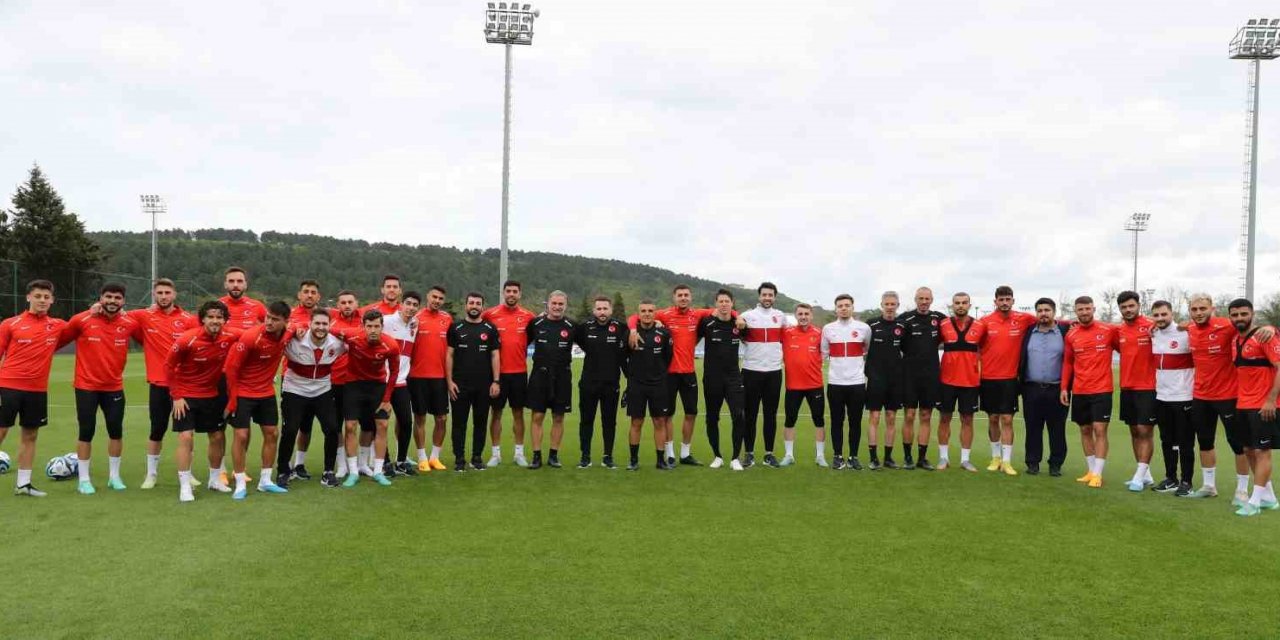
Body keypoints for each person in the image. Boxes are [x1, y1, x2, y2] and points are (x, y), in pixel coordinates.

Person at [626, 285, 735, 466]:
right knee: (666, 415)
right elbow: (634, 317)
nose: (683, 298)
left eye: (686, 295)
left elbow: (726, 309)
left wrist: (737, 317)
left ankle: (685, 454)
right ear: (674, 297)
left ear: (690, 297)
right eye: (680, 295)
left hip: (689, 372)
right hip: (668, 374)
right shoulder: (664, 314)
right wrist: (632, 330)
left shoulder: (698, 314)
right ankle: (669, 454)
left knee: (691, 413)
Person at [1184, 292, 1269, 502]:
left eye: (1203, 308)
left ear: (1212, 308)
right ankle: (1209, 485)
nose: (1198, 313)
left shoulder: (1227, 325)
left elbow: (1250, 328)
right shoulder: (1190, 328)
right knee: (1204, 441)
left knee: (1238, 444)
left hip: (1228, 396)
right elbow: (1175, 324)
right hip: (1200, 396)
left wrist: (1269, 327)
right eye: (1194, 309)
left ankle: (1241, 489)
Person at [63, 283, 139, 494]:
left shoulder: (129, 323)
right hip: (86, 386)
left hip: (114, 387)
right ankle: (84, 480)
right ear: (100, 298)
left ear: (123, 301)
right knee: (86, 432)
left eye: (117, 298)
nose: (112, 301)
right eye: (108, 297)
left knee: (116, 431)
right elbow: (59, 340)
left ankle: (114, 477)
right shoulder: (82, 320)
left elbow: (148, 336)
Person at [0, 280, 72, 497]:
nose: (42, 300)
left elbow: (80, 327)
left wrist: (96, 310)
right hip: (8, 386)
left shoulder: (58, 326)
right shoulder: (10, 324)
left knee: (30, 435)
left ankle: (23, 485)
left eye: (46, 297)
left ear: (52, 300)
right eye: (38, 296)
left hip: (37, 390)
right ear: (28, 297)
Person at [127, 278, 198, 489]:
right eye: (160, 293)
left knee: (186, 433)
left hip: (183, 385)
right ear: (154, 295)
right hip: (158, 384)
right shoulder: (143, 315)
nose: (164, 296)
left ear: (174, 295)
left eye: (167, 292)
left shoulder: (188, 319)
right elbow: (118, 316)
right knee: (157, 430)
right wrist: (95, 308)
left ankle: (188, 473)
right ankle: (151, 474)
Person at [165, 300, 240, 502]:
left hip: (212, 396)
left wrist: (294, 327)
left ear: (224, 320)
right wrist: (177, 396)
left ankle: (215, 480)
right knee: (186, 438)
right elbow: (169, 367)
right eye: (211, 317)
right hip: (186, 397)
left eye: (219, 317)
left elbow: (252, 337)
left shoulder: (231, 336)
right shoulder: (186, 340)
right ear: (203, 319)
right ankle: (184, 486)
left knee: (216, 437)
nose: (215, 321)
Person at [222, 300, 293, 499]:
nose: (269, 322)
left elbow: (297, 327)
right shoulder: (251, 337)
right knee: (241, 436)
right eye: (268, 317)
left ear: (285, 321)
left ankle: (265, 481)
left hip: (266, 392)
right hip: (243, 392)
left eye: (275, 319)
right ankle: (240, 482)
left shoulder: (288, 333)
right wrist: (232, 400)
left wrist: (300, 329)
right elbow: (231, 368)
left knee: (272, 433)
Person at [277, 307, 347, 488]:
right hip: (295, 390)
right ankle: (284, 471)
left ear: (329, 325)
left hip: (322, 390)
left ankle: (328, 472)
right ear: (310, 324)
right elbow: (276, 336)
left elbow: (357, 339)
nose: (321, 327)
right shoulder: (295, 340)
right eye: (317, 323)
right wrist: (293, 328)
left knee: (332, 428)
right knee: (290, 429)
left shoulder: (337, 343)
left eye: (324, 324)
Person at [334, 309, 401, 487]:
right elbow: (329, 330)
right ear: (363, 326)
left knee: (382, 425)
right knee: (350, 426)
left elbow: (394, 372)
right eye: (369, 326)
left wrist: (386, 399)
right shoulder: (353, 336)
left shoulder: (391, 345)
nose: (373, 330)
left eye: (376, 326)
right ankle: (353, 472)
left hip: (377, 387)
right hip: (353, 385)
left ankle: (378, 471)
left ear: (382, 327)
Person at [1227, 298, 1280, 516]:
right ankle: (1269, 497)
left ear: (1252, 314)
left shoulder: (1265, 336)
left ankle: (1255, 502)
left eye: (1243, 314)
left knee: (1262, 451)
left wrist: (1271, 400)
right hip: (1243, 404)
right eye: (1235, 314)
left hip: (1264, 405)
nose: (1239, 318)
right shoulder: (1235, 340)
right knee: (1248, 449)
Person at [1060, 296, 1118, 488]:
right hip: (1080, 390)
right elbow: (1068, 362)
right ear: (1075, 312)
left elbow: (1126, 345)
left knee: (1100, 430)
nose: (1084, 312)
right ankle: (1091, 470)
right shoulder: (1071, 335)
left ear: (1094, 308)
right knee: (1084, 430)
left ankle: (1098, 474)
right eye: (1080, 309)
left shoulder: (1108, 330)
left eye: (1087, 308)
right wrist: (1064, 388)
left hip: (1102, 390)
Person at [977, 285, 1036, 474]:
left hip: (1010, 379)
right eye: (1001, 299)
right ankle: (995, 457)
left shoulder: (1023, 319)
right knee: (993, 418)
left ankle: (1007, 461)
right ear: (995, 301)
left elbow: (1047, 320)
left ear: (1013, 300)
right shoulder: (984, 321)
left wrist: (1071, 323)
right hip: (987, 378)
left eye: (1007, 299)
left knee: (1007, 420)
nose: (1004, 302)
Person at [446, 292, 501, 471]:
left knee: (481, 422)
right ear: (466, 305)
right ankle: (459, 459)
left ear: (483, 307)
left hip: (484, 386)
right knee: (459, 423)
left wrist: (496, 381)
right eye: (471, 303)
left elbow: (495, 355)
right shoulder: (456, 328)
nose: (474, 306)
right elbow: (449, 355)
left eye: (478, 303)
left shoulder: (490, 329)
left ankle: (477, 458)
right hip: (459, 385)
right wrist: (449, 381)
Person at [483, 280, 536, 467]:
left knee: (518, 413)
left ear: (520, 294)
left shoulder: (529, 316)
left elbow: (532, 337)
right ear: (503, 293)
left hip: (519, 373)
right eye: (508, 291)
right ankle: (495, 454)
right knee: (495, 413)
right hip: (497, 375)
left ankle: (519, 453)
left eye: (515, 291)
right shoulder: (490, 314)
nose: (511, 294)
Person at [574, 295, 628, 469]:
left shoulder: (620, 328)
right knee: (586, 420)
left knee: (609, 421)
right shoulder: (584, 328)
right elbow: (580, 343)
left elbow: (624, 354)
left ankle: (608, 457)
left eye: (605, 309)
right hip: (588, 383)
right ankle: (585, 456)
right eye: (599, 309)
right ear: (594, 310)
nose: (602, 312)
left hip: (611, 383)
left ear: (611, 310)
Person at [1018, 298, 1069, 476]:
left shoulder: (1065, 331)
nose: (1043, 313)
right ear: (1036, 313)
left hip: (1057, 390)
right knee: (1032, 428)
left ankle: (1055, 464)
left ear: (1054, 312)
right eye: (1040, 310)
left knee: (1057, 429)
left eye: (1047, 310)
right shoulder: (1028, 332)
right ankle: (1032, 463)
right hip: (1031, 389)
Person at [897, 287, 946, 470]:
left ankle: (922, 458)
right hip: (909, 375)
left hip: (931, 375)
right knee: (909, 415)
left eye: (927, 298)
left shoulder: (939, 318)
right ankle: (908, 457)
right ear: (915, 299)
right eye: (921, 298)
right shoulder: (905, 319)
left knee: (926, 415)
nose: (924, 302)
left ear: (932, 300)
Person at [526, 291, 576, 469]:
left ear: (565, 305)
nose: (557, 307)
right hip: (540, 375)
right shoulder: (536, 323)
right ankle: (536, 456)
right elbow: (520, 343)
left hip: (562, 376)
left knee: (558, 417)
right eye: (554, 303)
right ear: (547, 304)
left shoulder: (571, 326)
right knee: (537, 416)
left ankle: (553, 455)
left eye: (560, 304)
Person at [822, 293, 872, 471]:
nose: (844, 308)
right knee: (836, 421)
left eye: (847, 305)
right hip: (835, 383)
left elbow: (867, 347)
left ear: (852, 307)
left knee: (855, 421)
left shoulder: (864, 328)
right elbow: (824, 352)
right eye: (840, 305)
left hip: (857, 383)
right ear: (836, 308)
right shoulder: (828, 329)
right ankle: (837, 456)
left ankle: (853, 456)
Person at [1151, 300, 1196, 495]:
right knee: (1166, 440)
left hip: (1184, 396)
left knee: (1185, 441)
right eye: (1156, 315)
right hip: (1161, 396)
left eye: (1164, 314)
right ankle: (1171, 478)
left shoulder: (1186, 332)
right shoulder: (1153, 333)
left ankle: (1186, 481)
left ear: (1171, 313)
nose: (1160, 318)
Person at [1115, 291, 1159, 491]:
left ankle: (1138, 476)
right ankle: (1146, 475)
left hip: (1149, 387)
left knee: (1145, 431)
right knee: (1134, 431)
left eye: (1131, 306)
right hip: (1127, 387)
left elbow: (1179, 329)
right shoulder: (1119, 330)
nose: (1128, 310)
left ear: (1139, 305)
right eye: (1124, 307)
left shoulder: (1152, 326)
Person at [938, 292, 986, 471]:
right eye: (957, 303)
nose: (960, 306)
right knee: (944, 418)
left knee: (967, 420)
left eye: (964, 303)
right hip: (946, 381)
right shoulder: (943, 325)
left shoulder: (981, 326)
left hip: (970, 382)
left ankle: (965, 460)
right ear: (952, 305)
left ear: (969, 304)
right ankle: (944, 458)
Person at [741, 282, 787, 468]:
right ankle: (749, 454)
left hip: (774, 372)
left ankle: (769, 454)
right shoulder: (747, 316)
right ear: (759, 296)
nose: (767, 298)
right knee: (750, 415)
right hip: (751, 371)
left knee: (771, 414)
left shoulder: (781, 316)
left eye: (770, 295)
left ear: (774, 297)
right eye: (764, 295)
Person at [700, 290, 747, 470]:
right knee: (712, 418)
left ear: (732, 303)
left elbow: (750, 339)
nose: (724, 304)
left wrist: (740, 318)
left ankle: (735, 458)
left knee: (739, 416)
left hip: (734, 378)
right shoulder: (707, 323)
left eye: (727, 301)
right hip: (712, 378)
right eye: (721, 301)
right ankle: (717, 456)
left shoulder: (740, 324)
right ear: (716, 303)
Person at [624, 300, 674, 470]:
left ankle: (660, 460)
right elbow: (623, 357)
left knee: (659, 421)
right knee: (636, 422)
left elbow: (668, 358)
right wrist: (631, 376)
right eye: (643, 311)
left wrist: (658, 374)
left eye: (650, 310)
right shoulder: (630, 333)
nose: (647, 313)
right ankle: (633, 460)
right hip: (636, 385)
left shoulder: (664, 333)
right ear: (638, 314)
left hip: (658, 384)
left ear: (655, 313)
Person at [409, 285, 452, 472]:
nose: (437, 300)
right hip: (417, 376)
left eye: (440, 298)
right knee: (419, 418)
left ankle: (435, 457)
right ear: (428, 296)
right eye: (434, 296)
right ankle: (421, 457)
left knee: (441, 418)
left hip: (440, 377)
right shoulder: (415, 318)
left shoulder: (447, 319)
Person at [380, 291, 420, 476]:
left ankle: (402, 461)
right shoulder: (386, 321)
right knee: (381, 423)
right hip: (382, 382)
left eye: (415, 305)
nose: (411, 307)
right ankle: (385, 462)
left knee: (405, 422)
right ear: (401, 304)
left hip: (402, 382)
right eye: (408, 303)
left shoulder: (414, 324)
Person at [866, 291, 906, 470]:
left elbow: (908, 350)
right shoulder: (871, 325)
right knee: (874, 417)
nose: (890, 307)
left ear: (898, 305)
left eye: (893, 304)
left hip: (896, 380)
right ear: (881, 304)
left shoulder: (902, 326)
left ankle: (888, 458)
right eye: (887, 304)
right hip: (875, 379)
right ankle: (873, 458)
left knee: (891, 418)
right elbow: (863, 347)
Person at [781, 303, 824, 466]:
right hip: (793, 386)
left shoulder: (820, 333)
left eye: (806, 314)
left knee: (819, 420)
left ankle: (820, 456)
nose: (803, 317)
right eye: (800, 314)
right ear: (796, 316)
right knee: (790, 420)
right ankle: (789, 455)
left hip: (815, 385)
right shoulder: (786, 333)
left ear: (811, 316)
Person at [219, 266, 267, 331]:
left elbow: (277, 324)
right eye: (231, 281)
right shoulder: (216, 306)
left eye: (239, 281)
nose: (235, 285)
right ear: (225, 285)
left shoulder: (257, 306)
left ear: (245, 285)